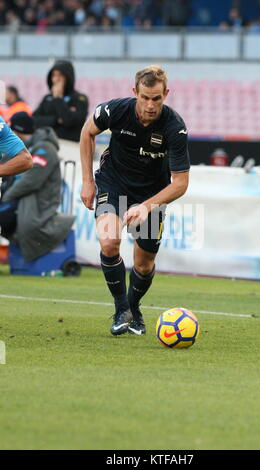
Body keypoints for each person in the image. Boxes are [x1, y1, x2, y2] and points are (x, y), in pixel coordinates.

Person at [80, 65, 190, 336]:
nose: (150, 105)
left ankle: (133, 307)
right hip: (113, 183)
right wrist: (87, 181)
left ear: (166, 94)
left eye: (156, 98)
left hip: (151, 194)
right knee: (109, 241)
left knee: (143, 264)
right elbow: (87, 132)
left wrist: (146, 206)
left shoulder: (175, 128)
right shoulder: (116, 110)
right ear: (135, 93)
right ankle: (121, 310)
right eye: (144, 97)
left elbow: (181, 183)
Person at [0, 112, 75, 261]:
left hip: (37, 205)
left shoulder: (44, 149)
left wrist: (6, 197)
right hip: (21, 201)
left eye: (12, 129)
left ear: (18, 130)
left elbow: (30, 182)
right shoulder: (27, 147)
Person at [32, 60, 89, 143]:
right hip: (48, 144)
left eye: (60, 75)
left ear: (68, 77)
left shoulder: (80, 98)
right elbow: (34, 120)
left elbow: (69, 121)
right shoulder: (47, 98)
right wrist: (56, 120)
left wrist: (58, 99)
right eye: (54, 75)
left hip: (70, 146)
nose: (56, 79)